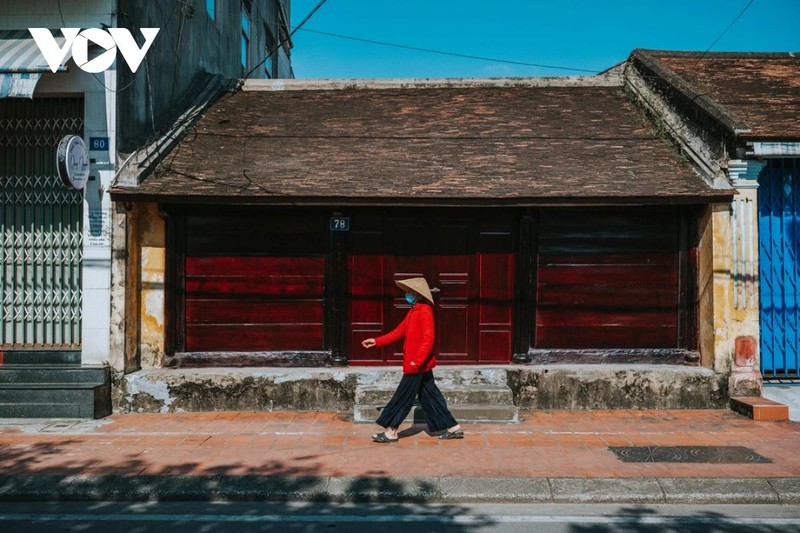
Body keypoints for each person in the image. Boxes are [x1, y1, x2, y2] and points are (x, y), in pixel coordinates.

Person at [361, 277, 463, 443]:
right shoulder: (413, 311)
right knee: (431, 396)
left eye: (409, 292)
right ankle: (453, 427)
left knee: (403, 397)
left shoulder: (425, 311)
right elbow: (398, 332)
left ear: (417, 294)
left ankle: (391, 431)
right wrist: (377, 341)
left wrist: (416, 361)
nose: (407, 294)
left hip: (416, 365)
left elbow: (428, 339)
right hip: (418, 364)